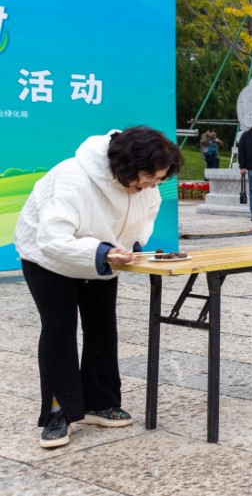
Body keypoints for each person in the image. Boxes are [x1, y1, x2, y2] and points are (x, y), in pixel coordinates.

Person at [15, 127, 182, 448]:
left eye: (157, 180)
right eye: (147, 178)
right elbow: (52, 239)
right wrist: (102, 251)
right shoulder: (72, 178)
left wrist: (130, 243)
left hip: (104, 255)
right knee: (60, 327)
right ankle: (58, 412)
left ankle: (99, 401)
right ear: (124, 164)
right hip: (47, 257)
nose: (149, 186)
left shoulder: (145, 183)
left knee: (102, 326)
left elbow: (148, 211)